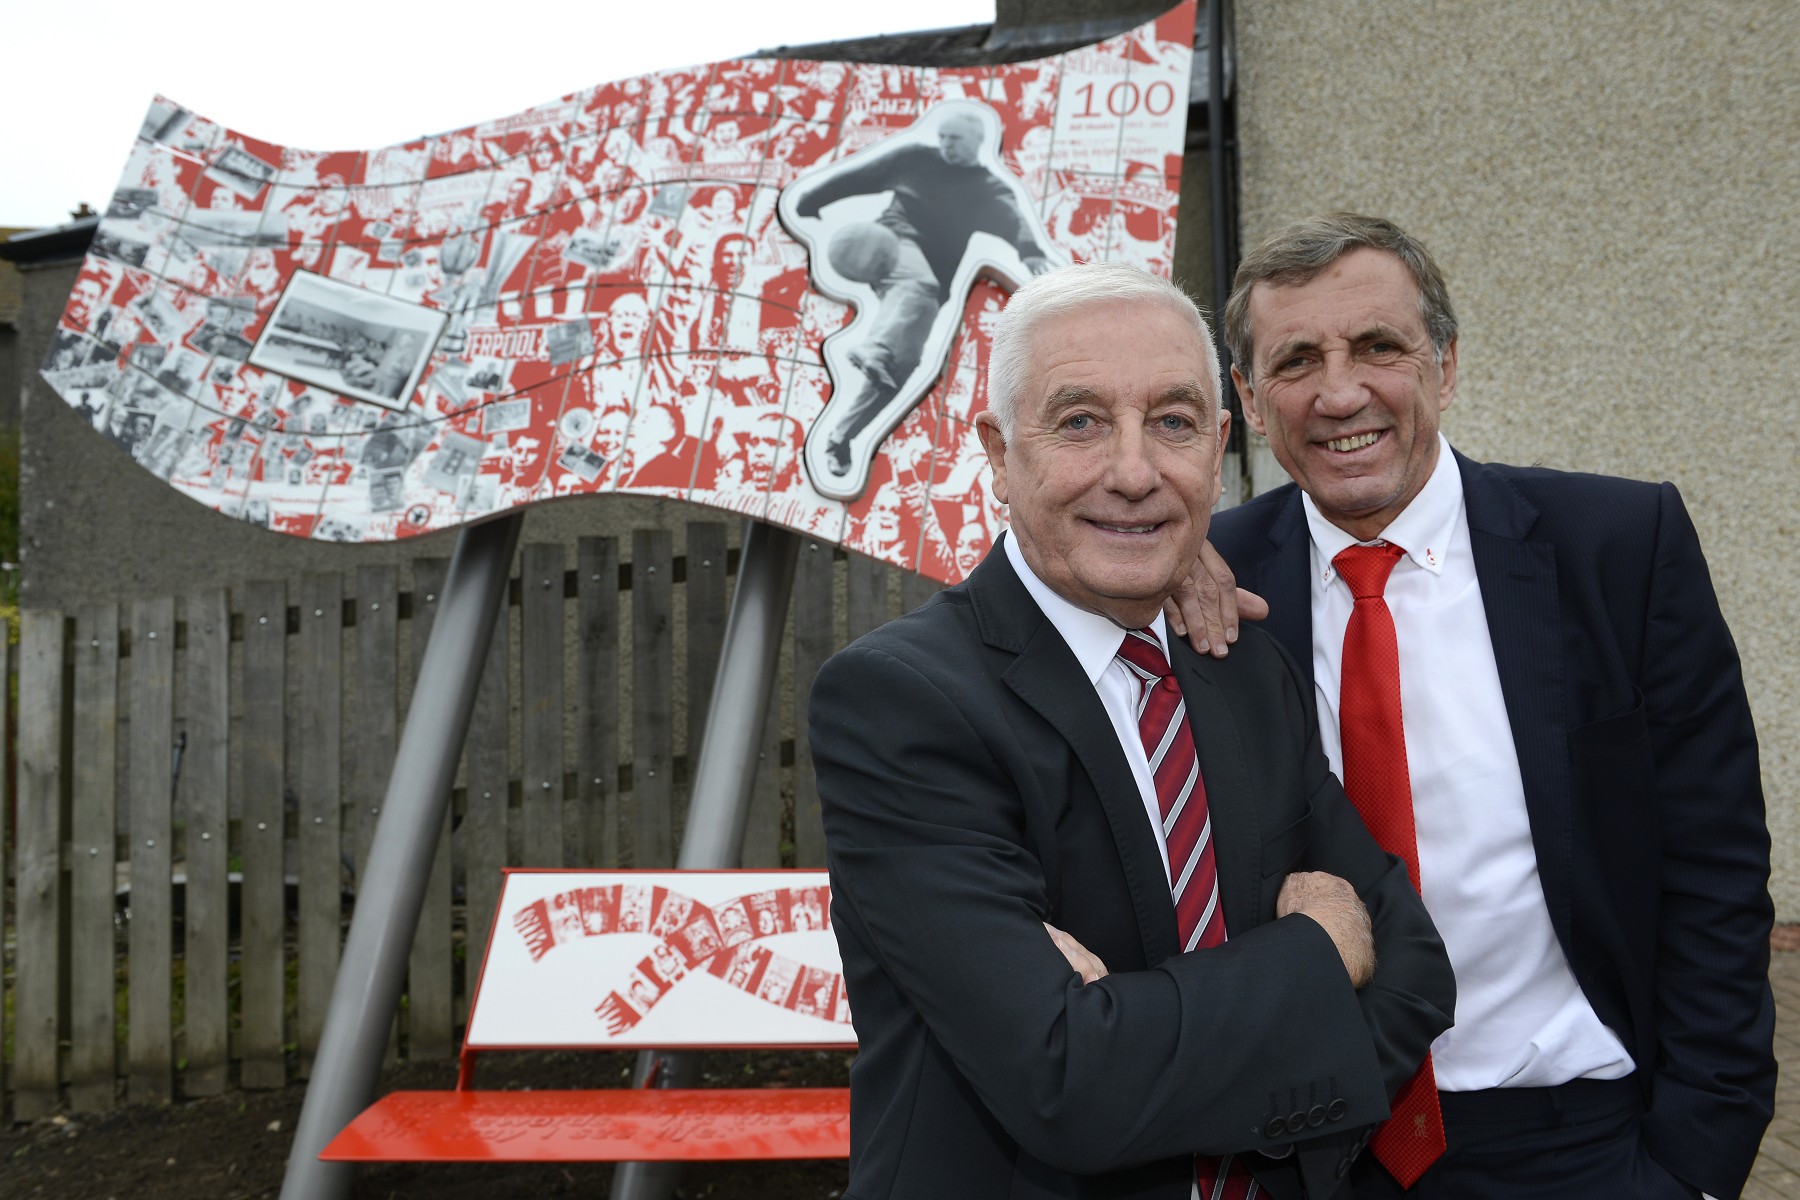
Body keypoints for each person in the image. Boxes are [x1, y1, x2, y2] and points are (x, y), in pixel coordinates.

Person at [810, 262, 1455, 1199]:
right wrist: (1319, 955)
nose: (1134, 472)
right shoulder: (902, 702)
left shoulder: (1237, 666)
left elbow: (1417, 976)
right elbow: (1068, 1086)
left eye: (1174, 422)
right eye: (1078, 422)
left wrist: (1123, 1021)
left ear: (1222, 443)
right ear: (996, 453)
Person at [1199, 213, 1774, 1200]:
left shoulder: (1619, 549)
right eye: (1297, 361)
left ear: (1446, 363)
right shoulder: (1207, 584)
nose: (1342, 394)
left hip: (1581, 1139)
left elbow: (1714, 867)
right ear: (1251, 399)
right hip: (1308, 1147)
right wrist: (1158, 563)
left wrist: (1696, 1161)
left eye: (1380, 346)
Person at [788, 103, 1054, 477]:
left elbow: (1013, 219)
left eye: (955, 140)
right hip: (892, 242)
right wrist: (811, 200)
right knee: (917, 285)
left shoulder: (986, 189)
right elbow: (862, 175)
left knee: (902, 367)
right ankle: (877, 349)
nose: (946, 145)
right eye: (942, 137)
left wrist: (1032, 252)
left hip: (928, 291)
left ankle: (842, 438)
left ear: (977, 142)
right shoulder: (914, 158)